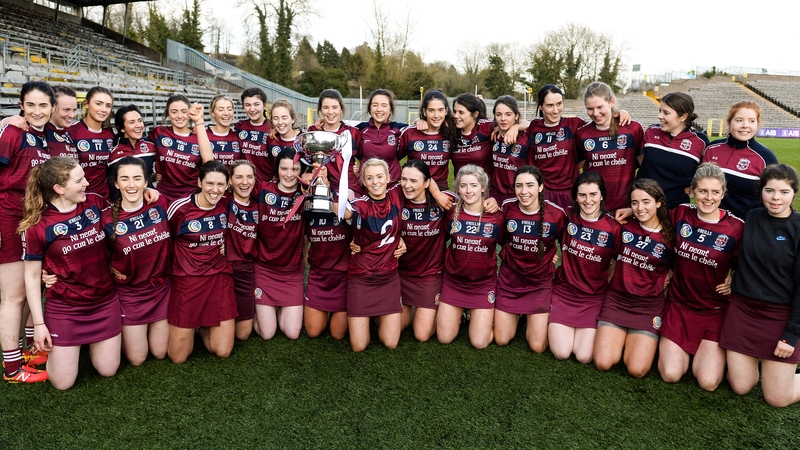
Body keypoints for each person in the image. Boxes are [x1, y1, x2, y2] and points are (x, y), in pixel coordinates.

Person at [21, 157, 120, 389]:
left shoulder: (95, 202)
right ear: (59, 189)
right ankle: (65, 347)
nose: (87, 183)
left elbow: (125, 216)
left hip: (104, 301)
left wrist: (148, 192)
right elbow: (32, 276)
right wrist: (39, 324)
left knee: (108, 370)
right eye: (79, 180)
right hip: (66, 309)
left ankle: (80, 347)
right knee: (62, 383)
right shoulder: (38, 225)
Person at [657, 162, 743, 391]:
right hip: (678, 304)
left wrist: (736, 278)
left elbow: (750, 262)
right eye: (703, 191)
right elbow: (650, 224)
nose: (709, 197)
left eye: (715, 192)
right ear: (692, 191)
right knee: (671, 374)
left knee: (708, 382)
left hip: (713, 310)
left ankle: (709, 354)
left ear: (723, 193)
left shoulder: (736, 227)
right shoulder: (680, 214)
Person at [719, 164, 800, 407]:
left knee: (777, 398)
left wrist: (791, 335)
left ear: (794, 193)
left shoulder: (798, 228)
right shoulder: (752, 217)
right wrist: (731, 274)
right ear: (761, 191)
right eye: (770, 190)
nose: (776, 198)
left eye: (784, 192)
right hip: (743, 311)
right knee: (741, 386)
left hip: (779, 316)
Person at [0, 81, 54, 383]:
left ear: (52, 108)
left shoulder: (43, 136)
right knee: (14, 296)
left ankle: (26, 351)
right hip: (8, 218)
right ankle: (12, 368)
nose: (36, 111)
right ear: (21, 106)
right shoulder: (13, 131)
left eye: (43, 105)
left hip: (32, 219)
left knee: (33, 288)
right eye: (30, 105)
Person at [594, 179, 674, 378]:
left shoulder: (671, 234)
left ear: (658, 202)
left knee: (636, 370)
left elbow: (683, 263)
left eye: (646, 202)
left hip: (648, 306)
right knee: (603, 362)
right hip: (617, 301)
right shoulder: (623, 225)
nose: (640, 208)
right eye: (635, 203)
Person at [166, 160, 236, 364]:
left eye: (220, 184)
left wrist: (227, 244)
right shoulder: (180, 208)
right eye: (210, 183)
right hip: (187, 280)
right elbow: (163, 240)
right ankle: (194, 325)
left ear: (227, 186)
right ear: (199, 182)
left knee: (222, 351)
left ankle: (202, 328)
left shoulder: (227, 203)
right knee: (178, 357)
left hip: (219, 277)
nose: (215, 190)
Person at [104, 157, 171, 366]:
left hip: (161, 290)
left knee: (160, 353)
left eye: (137, 179)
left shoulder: (161, 204)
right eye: (124, 179)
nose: (131, 185)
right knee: (137, 359)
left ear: (146, 182)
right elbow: (90, 252)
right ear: (116, 184)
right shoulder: (106, 219)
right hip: (130, 295)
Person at [549, 171, 622, 364]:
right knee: (562, 352)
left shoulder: (614, 228)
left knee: (584, 356)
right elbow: (539, 216)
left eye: (593, 194)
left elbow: (616, 262)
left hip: (593, 298)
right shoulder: (566, 216)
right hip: (565, 292)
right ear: (575, 197)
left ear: (602, 195)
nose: (588, 201)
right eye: (582, 195)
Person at [494, 166, 567, 353]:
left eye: (530, 185)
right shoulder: (507, 208)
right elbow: (498, 238)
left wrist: (553, 256)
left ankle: (533, 316)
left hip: (539, 283)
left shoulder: (556, 214)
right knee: (501, 339)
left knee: (537, 346)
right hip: (510, 280)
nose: (524, 191)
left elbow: (568, 244)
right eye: (519, 186)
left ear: (540, 187)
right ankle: (519, 314)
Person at [527, 84, 631, 209]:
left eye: (559, 104)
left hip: (570, 192)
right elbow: (522, 125)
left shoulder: (574, 124)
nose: (555, 110)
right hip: (543, 192)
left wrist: (619, 112)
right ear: (540, 106)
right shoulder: (534, 127)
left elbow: (599, 124)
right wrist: (515, 127)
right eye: (550, 105)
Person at [341, 158, 405, 352]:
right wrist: (321, 194)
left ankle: (376, 318)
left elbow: (423, 178)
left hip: (388, 278)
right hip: (362, 277)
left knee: (391, 343)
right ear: (364, 182)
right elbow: (344, 213)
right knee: (358, 346)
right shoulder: (361, 203)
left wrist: (436, 192)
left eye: (379, 176)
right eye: (369, 178)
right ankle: (367, 319)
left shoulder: (397, 194)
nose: (375, 182)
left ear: (388, 178)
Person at [436, 165, 502, 349]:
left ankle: (492, 317)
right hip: (454, 283)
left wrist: (549, 254)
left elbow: (512, 243)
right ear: (458, 188)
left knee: (479, 342)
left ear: (483, 187)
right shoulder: (451, 212)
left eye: (473, 185)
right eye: (463, 185)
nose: (468, 190)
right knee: (444, 338)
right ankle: (463, 314)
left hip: (482, 285)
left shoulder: (496, 216)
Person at [252, 149, 306, 341]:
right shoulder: (262, 190)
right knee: (267, 333)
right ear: (277, 170)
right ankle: (257, 309)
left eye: (295, 169)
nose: (289, 174)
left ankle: (272, 308)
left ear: (301, 171)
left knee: (292, 332)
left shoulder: (306, 195)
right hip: (264, 270)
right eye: (284, 169)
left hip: (291, 273)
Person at [397, 160, 449, 342]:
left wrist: (490, 201)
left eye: (414, 181)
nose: (407, 185)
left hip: (430, 276)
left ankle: (448, 312)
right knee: (395, 328)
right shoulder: (395, 196)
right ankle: (419, 310)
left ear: (427, 183)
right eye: (404, 179)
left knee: (421, 334)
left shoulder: (442, 201)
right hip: (401, 274)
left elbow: (472, 201)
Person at [701, 101, 778, 218]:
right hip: (710, 221)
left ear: (757, 124)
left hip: (747, 224)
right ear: (729, 122)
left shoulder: (766, 157)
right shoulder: (711, 149)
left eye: (751, 121)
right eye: (739, 120)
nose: (745, 125)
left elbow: (775, 195)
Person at [575, 82, 643, 212]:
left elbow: (644, 166)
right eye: (590, 108)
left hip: (626, 206)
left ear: (611, 102)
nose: (595, 113)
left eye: (600, 107)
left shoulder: (633, 129)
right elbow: (578, 167)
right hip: (594, 206)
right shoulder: (582, 134)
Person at [636, 92, 708, 209]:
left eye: (666, 113)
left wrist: (694, 186)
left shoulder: (700, 141)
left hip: (675, 208)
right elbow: (639, 158)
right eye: (660, 111)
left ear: (683, 117)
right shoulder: (651, 131)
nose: (660, 116)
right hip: (643, 206)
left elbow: (705, 173)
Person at [151, 94, 214, 202]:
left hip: (190, 196)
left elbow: (209, 161)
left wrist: (199, 121)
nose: (179, 116)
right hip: (163, 195)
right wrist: (151, 175)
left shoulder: (199, 136)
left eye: (184, 111)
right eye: (174, 112)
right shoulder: (159, 133)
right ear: (168, 114)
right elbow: (141, 152)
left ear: (189, 113)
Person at [225, 160, 259, 341]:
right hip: (222, 271)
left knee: (242, 334)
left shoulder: (260, 205)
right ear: (230, 181)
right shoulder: (222, 200)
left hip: (246, 271)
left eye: (249, 177)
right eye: (239, 177)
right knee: (224, 333)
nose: (244, 182)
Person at [398, 89, 460, 191]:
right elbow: (393, 159)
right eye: (431, 110)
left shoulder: (451, 133)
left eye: (440, 110)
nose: (436, 115)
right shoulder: (410, 133)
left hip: (441, 192)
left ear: (446, 111)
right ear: (424, 112)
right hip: (415, 191)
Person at [307, 89, 363, 198]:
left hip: (349, 188)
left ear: (341, 109)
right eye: (325, 107)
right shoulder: (313, 131)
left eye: (335, 107)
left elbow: (364, 158)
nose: (330, 112)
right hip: (321, 186)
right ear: (320, 110)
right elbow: (306, 162)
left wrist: (359, 170)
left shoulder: (352, 133)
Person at [68, 86, 114, 198]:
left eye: (108, 106)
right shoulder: (71, 131)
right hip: (78, 196)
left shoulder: (110, 134)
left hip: (104, 197)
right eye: (98, 104)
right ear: (86, 104)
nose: (104, 109)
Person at [354, 89, 407, 182]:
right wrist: (353, 165)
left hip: (392, 185)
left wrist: (420, 121)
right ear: (370, 109)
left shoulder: (400, 129)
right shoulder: (360, 129)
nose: (379, 109)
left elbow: (418, 131)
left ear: (390, 110)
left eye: (384, 105)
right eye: (375, 105)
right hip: (367, 185)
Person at [107, 104, 156, 201]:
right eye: (132, 122)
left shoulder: (151, 145)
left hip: (149, 200)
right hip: (122, 203)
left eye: (140, 121)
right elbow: (112, 183)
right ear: (122, 128)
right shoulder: (112, 151)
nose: (138, 125)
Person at [490, 96, 532, 204]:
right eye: (498, 114)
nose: (503, 118)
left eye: (508, 114)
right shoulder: (493, 134)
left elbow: (530, 124)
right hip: (495, 195)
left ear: (516, 115)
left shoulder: (525, 138)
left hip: (518, 196)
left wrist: (516, 127)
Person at [451, 93, 493, 178]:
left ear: (475, 114)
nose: (456, 116)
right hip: (461, 186)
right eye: (455, 111)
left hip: (484, 186)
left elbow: (514, 122)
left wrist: (515, 127)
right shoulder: (451, 130)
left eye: (461, 112)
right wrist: (422, 121)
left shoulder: (486, 127)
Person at [236, 88, 273, 181]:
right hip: (245, 183)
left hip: (267, 183)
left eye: (256, 104)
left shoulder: (273, 128)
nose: (252, 109)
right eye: (247, 105)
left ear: (265, 105)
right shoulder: (239, 126)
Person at [207, 95, 241, 168]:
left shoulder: (238, 136)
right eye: (221, 110)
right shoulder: (203, 135)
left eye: (229, 109)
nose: (226, 113)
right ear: (212, 113)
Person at [47, 86, 78, 159]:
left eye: (74, 110)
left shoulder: (70, 131)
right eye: (66, 110)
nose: (72, 115)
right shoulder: (41, 133)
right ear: (52, 107)